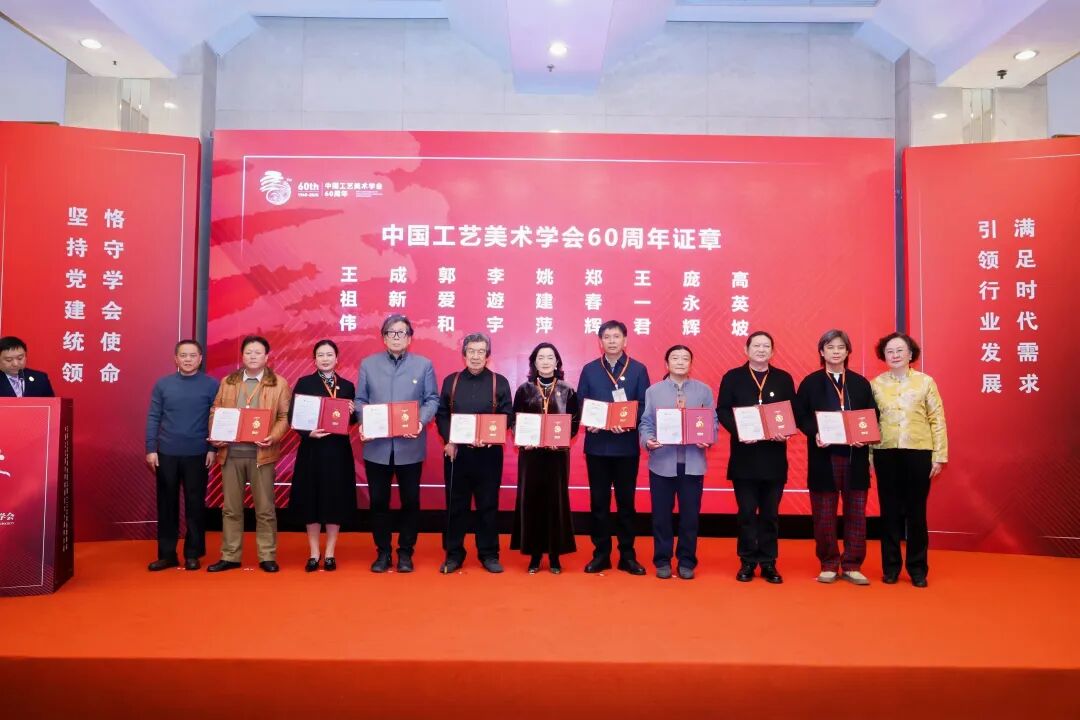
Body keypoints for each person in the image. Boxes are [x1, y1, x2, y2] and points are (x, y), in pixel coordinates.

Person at [355, 314, 440, 574]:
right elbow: (360, 400)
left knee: (410, 502)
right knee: (378, 502)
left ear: (409, 338)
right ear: (383, 338)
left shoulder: (423, 365)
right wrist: (365, 422)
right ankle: (382, 552)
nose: (396, 337)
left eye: (401, 332)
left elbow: (432, 399)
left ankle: (405, 552)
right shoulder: (368, 364)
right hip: (377, 447)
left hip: (409, 447)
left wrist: (420, 422)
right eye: (391, 333)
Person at [795, 330, 876, 586]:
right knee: (824, 513)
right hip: (824, 456)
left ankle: (852, 564)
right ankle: (829, 563)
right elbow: (800, 415)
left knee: (856, 513)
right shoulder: (810, 383)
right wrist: (815, 432)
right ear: (822, 352)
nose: (836, 352)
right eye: (830, 347)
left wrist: (866, 436)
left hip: (855, 456)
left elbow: (872, 415)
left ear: (848, 351)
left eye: (841, 347)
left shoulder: (860, 383)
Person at [716, 331, 796, 584]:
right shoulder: (733, 377)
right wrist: (740, 431)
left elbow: (791, 412)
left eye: (766, 346)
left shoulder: (783, 378)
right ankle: (748, 561)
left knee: (770, 514)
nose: (761, 350)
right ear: (746, 349)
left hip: (774, 458)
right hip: (744, 458)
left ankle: (769, 562)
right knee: (747, 513)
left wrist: (785, 431)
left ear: (773, 351)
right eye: (756, 345)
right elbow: (722, 410)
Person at [207, 335, 291, 573]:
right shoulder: (228, 381)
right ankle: (230, 555)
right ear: (242, 356)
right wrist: (216, 433)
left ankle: (267, 556)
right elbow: (215, 411)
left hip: (262, 454)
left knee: (265, 509)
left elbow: (284, 417)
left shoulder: (279, 383)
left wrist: (273, 436)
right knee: (231, 508)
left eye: (258, 352)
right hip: (231, 453)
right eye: (248, 352)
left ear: (267, 357)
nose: (253, 356)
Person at [871, 332, 948, 588]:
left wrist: (939, 456)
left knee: (916, 512)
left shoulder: (925, 382)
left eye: (899, 350)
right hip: (885, 452)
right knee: (889, 512)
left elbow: (937, 419)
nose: (895, 355)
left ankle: (917, 569)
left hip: (918, 452)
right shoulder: (876, 384)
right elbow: (870, 422)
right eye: (889, 351)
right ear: (884, 356)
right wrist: (869, 456)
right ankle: (891, 568)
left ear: (910, 354)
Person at [434, 332, 514, 574]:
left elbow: (507, 414)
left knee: (487, 505)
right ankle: (453, 554)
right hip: (457, 453)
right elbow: (442, 414)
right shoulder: (452, 381)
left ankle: (489, 554)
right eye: (471, 351)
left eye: (481, 352)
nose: (476, 356)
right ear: (464, 354)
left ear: (488, 356)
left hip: (489, 455)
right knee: (455, 506)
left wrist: (491, 437)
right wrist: (449, 440)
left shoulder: (499, 382)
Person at [575, 320, 650, 575]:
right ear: (600, 342)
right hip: (597, 447)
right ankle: (601, 554)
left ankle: (627, 555)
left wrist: (628, 423)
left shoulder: (638, 369)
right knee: (599, 503)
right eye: (606, 337)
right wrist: (589, 422)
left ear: (625, 340)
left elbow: (644, 405)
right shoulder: (589, 369)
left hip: (626, 447)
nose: (611, 341)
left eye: (616, 336)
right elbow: (581, 403)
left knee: (626, 504)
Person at [638, 345, 713, 580]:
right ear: (666, 363)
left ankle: (686, 561)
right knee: (661, 516)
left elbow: (712, 421)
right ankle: (662, 560)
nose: (680, 362)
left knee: (690, 516)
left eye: (685, 358)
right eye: (675, 358)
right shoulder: (653, 391)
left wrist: (707, 438)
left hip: (693, 463)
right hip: (662, 463)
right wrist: (647, 440)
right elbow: (646, 422)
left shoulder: (703, 391)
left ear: (691, 363)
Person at [144, 339, 219, 572]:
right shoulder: (163, 384)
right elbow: (153, 416)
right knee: (166, 505)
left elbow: (217, 418)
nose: (188, 359)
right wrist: (150, 448)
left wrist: (213, 449)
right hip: (166, 453)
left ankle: (193, 553)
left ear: (200, 358)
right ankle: (167, 554)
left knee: (195, 505)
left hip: (198, 453)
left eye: (192, 355)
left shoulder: (212, 385)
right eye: (183, 355)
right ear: (175, 358)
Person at [511, 342, 580, 574]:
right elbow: (515, 420)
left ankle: (554, 555)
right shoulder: (524, 390)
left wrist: (561, 439)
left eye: (550, 357)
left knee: (555, 502)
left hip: (557, 455)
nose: (546, 361)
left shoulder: (568, 390)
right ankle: (534, 554)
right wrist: (523, 438)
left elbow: (574, 422)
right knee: (531, 501)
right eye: (541, 357)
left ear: (557, 361)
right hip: (530, 455)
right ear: (534, 362)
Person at [289, 340, 357, 572]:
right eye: (320, 355)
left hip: (338, 451)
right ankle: (313, 552)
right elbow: (293, 416)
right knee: (312, 499)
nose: (325, 359)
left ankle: (330, 553)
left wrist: (353, 412)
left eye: (329, 355)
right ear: (314, 359)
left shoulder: (347, 386)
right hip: (312, 450)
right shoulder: (304, 383)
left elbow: (351, 421)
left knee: (334, 500)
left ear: (337, 359)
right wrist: (308, 433)